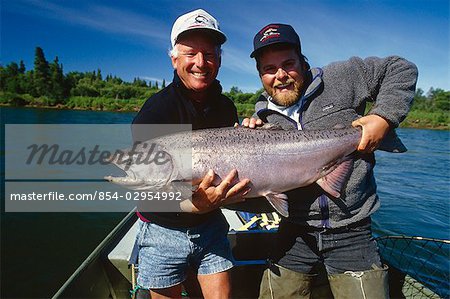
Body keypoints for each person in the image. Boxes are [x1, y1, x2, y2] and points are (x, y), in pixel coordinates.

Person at [243, 23, 418, 298]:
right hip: (295, 234)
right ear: (260, 75)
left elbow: (400, 68)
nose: (280, 76)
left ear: (302, 61)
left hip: (354, 232)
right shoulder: (261, 119)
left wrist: (383, 118)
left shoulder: (341, 77)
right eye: (269, 69)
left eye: (288, 64)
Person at [131, 9, 251, 299]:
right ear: (174, 59)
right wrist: (194, 202)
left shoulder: (225, 107)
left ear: (219, 60)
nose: (201, 63)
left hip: (210, 227)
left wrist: (252, 136)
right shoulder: (154, 113)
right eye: (190, 54)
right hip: (161, 231)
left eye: (209, 54)